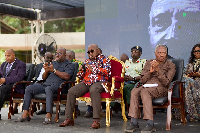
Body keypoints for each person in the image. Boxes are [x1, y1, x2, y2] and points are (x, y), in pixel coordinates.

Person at [124, 44, 176, 132]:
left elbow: (166, 82)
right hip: (146, 86)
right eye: (159, 53)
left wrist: (158, 70)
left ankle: (150, 123)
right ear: (155, 53)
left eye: (163, 53)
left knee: (145, 92)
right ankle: (134, 122)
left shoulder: (171, 65)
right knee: (134, 91)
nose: (161, 55)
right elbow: (143, 80)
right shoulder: (149, 63)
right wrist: (150, 72)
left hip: (161, 88)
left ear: (166, 54)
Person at [16, 48, 75, 124]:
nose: (57, 55)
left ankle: (48, 115)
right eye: (56, 53)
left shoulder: (69, 64)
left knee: (48, 89)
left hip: (59, 87)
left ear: (65, 55)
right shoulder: (53, 63)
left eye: (59, 54)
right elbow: (44, 78)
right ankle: (25, 114)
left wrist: (54, 70)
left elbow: (67, 77)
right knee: (29, 88)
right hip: (45, 84)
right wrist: (46, 71)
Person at [59, 44, 111, 129]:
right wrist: (80, 71)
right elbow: (81, 76)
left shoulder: (104, 59)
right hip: (87, 82)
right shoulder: (87, 61)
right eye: (88, 52)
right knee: (71, 91)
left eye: (92, 51)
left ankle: (96, 120)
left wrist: (93, 69)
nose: (90, 53)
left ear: (97, 50)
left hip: (99, 81)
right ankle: (69, 119)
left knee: (94, 90)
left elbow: (107, 72)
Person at [0, 49, 26, 119]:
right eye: (5, 56)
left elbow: (19, 77)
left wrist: (5, 80)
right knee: (2, 89)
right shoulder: (3, 64)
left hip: (15, 87)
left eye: (8, 56)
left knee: (2, 89)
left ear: (14, 55)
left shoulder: (21, 64)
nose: (6, 57)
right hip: (4, 87)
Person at [123, 46, 146, 113]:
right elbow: (122, 72)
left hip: (137, 83)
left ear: (140, 54)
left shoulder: (143, 62)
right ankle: (111, 108)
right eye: (132, 51)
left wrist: (133, 78)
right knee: (115, 87)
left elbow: (144, 75)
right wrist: (124, 77)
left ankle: (132, 110)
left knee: (127, 87)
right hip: (126, 82)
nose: (133, 53)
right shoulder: (127, 62)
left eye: (136, 52)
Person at [182, 44, 200, 121]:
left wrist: (198, 74)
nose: (196, 53)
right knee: (185, 81)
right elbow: (183, 73)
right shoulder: (190, 64)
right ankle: (191, 114)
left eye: (198, 51)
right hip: (190, 84)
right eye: (195, 51)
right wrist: (188, 75)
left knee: (187, 83)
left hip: (198, 83)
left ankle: (193, 115)